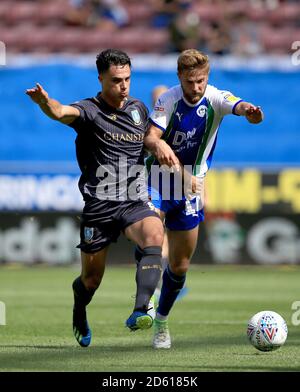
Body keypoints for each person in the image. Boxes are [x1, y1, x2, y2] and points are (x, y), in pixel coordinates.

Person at [26, 49, 164, 347]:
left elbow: (154, 136)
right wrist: (43, 103)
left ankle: (141, 309)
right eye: (116, 80)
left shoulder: (138, 109)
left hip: (133, 201)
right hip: (99, 207)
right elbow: (61, 111)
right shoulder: (89, 110)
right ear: (101, 78)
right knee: (91, 281)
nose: (124, 86)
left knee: (155, 234)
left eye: (127, 79)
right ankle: (79, 310)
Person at [144, 48, 264, 349]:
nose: (195, 88)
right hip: (158, 180)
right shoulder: (167, 100)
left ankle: (161, 320)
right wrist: (158, 146)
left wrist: (250, 111)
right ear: (179, 78)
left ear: (207, 78)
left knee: (181, 265)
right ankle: (142, 299)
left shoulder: (214, 98)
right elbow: (150, 137)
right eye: (189, 82)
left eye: (200, 81)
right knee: (150, 235)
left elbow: (237, 106)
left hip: (190, 187)